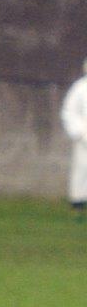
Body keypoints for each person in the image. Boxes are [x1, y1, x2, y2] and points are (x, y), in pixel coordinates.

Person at [60, 58, 87, 223]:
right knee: (82, 170)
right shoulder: (80, 88)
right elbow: (69, 111)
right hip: (84, 139)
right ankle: (78, 205)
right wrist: (79, 132)